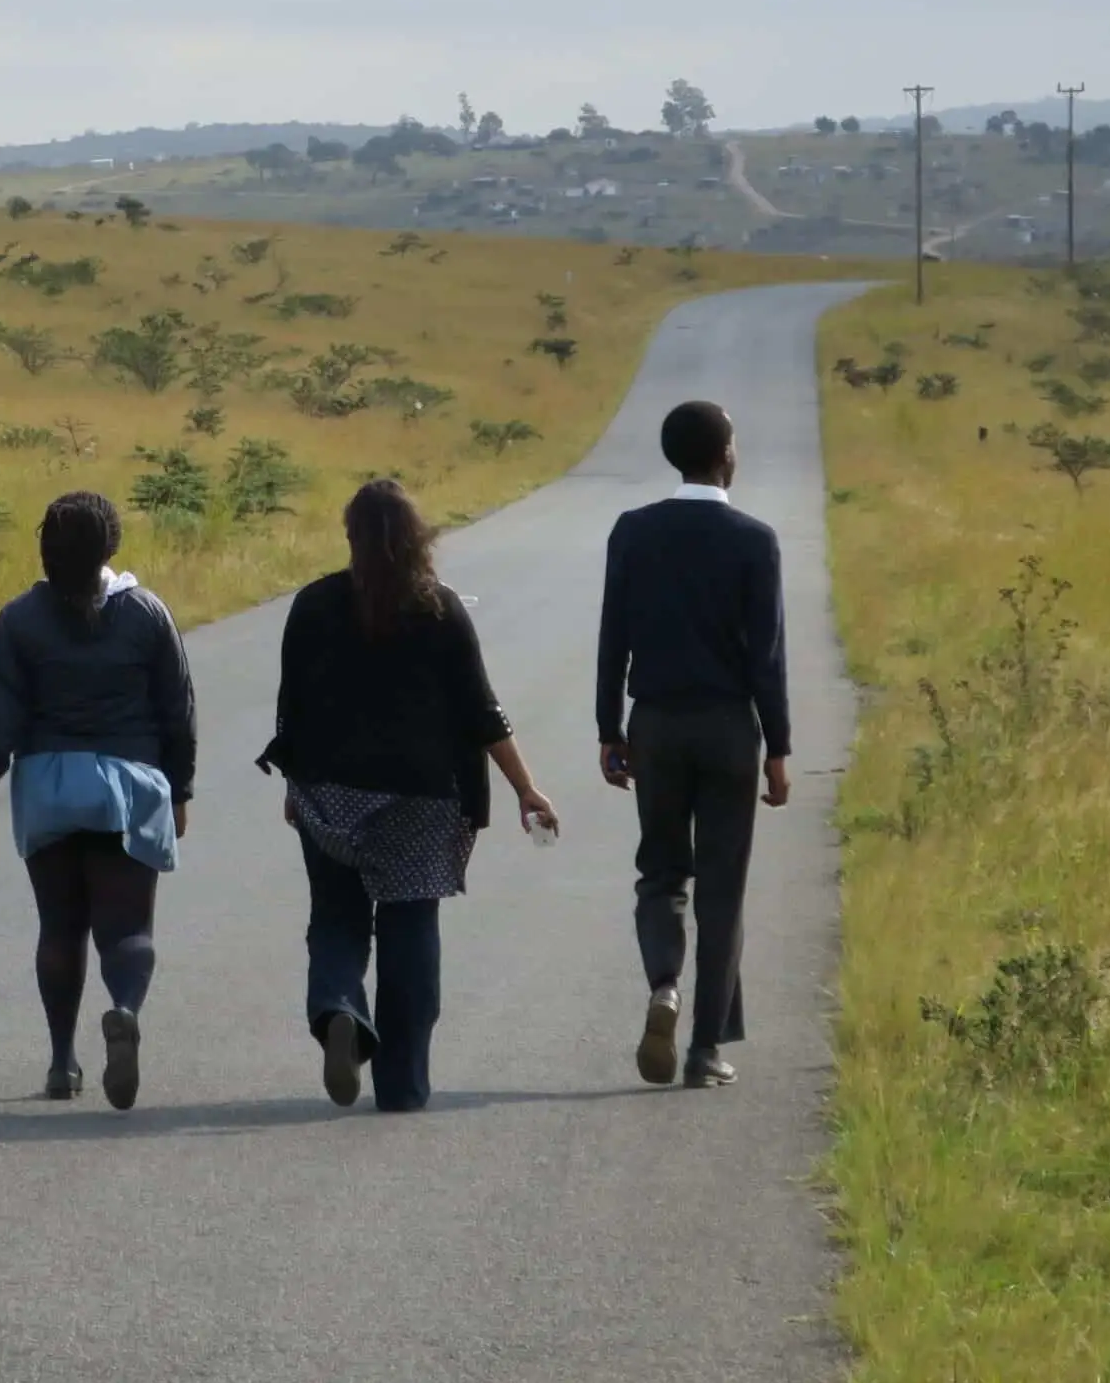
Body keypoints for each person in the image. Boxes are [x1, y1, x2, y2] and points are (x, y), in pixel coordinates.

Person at [259, 478, 557, 1113]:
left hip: (330, 795)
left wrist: (294, 787)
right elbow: (483, 711)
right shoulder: (441, 610)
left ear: (351, 538)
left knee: (336, 918)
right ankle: (402, 1084)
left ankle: (340, 1007)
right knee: (411, 925)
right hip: (422, 800)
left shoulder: (312, 605)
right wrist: (525, 788)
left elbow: (294, 710)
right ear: (420, 540)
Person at [0, 492, 196, 1109]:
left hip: (48, 788)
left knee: (60, 928)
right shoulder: (147, 613)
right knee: (127, 930)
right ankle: (122, 1009)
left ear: (45, 550)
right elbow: (178, 712)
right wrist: (181, 789)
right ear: (110, 548)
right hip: (130, 788)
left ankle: (63, 1062)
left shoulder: (18, 620)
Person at [595, 400, 792, 1090]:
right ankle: (706, 1049)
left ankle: (664, 985)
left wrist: (607, 731)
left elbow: (612, 637)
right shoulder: (754, 539)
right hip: (731, 728)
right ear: (725, 455)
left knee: (661, 873)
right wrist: (779, 749)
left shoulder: (633, 531)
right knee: (723, 891)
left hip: (655, 724)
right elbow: (767, 658)